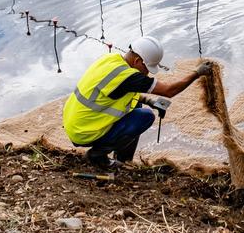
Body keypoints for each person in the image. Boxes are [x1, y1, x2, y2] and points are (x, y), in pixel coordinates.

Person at [62, 36, 210, 170]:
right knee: (145, 117)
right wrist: (196, 73)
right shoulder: (128, 76)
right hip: (84, 131)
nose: (147, 73)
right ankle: (97, 155)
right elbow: (169, 91)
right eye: (147, 68)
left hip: (76, 123)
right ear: (137, 61)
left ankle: (123, 160)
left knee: (137, 106)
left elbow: (114, 91)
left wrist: (148, 100)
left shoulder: (111, 60)